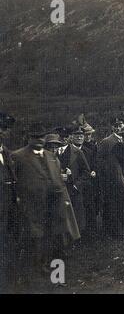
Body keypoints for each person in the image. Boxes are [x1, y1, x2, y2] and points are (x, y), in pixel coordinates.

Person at [12, 123, 80, 286]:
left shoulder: (51, 156)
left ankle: (58, 279)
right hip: (33, 209)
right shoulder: (18, 156)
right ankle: (37, 279)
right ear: (29, 138)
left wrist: (62, 201)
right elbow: (14, 183)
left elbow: (58, 181)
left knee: (58, 243)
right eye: (35, 137)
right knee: (37, 244)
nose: (38, 140)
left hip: (54, 208)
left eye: (41, 137)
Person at [56, 126, 91, 235]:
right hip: (58, 190)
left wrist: (77, 185)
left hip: (73, 190)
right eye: (61, 137)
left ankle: (76, 238)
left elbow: (86, 172)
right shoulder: (52, 151)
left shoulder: (77, 152)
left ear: (70, 137)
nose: (64, 139)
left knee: (76, 216)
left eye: (66, 136)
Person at [96, 118, 124, 237]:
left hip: (123, 177)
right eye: (116, 126)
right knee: (111, 205)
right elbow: (99, 160)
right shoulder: (106, 141)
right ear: (113, 127)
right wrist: (108, 172)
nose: (118, 128)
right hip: (110, 179)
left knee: (121, 205)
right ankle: (110, 232)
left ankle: (120, 229)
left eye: (121, 125)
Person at [0, 112, 16, 292]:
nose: (3, 132)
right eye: (1, 128)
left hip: (9, 209)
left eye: (5, 129)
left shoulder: (7, 153)